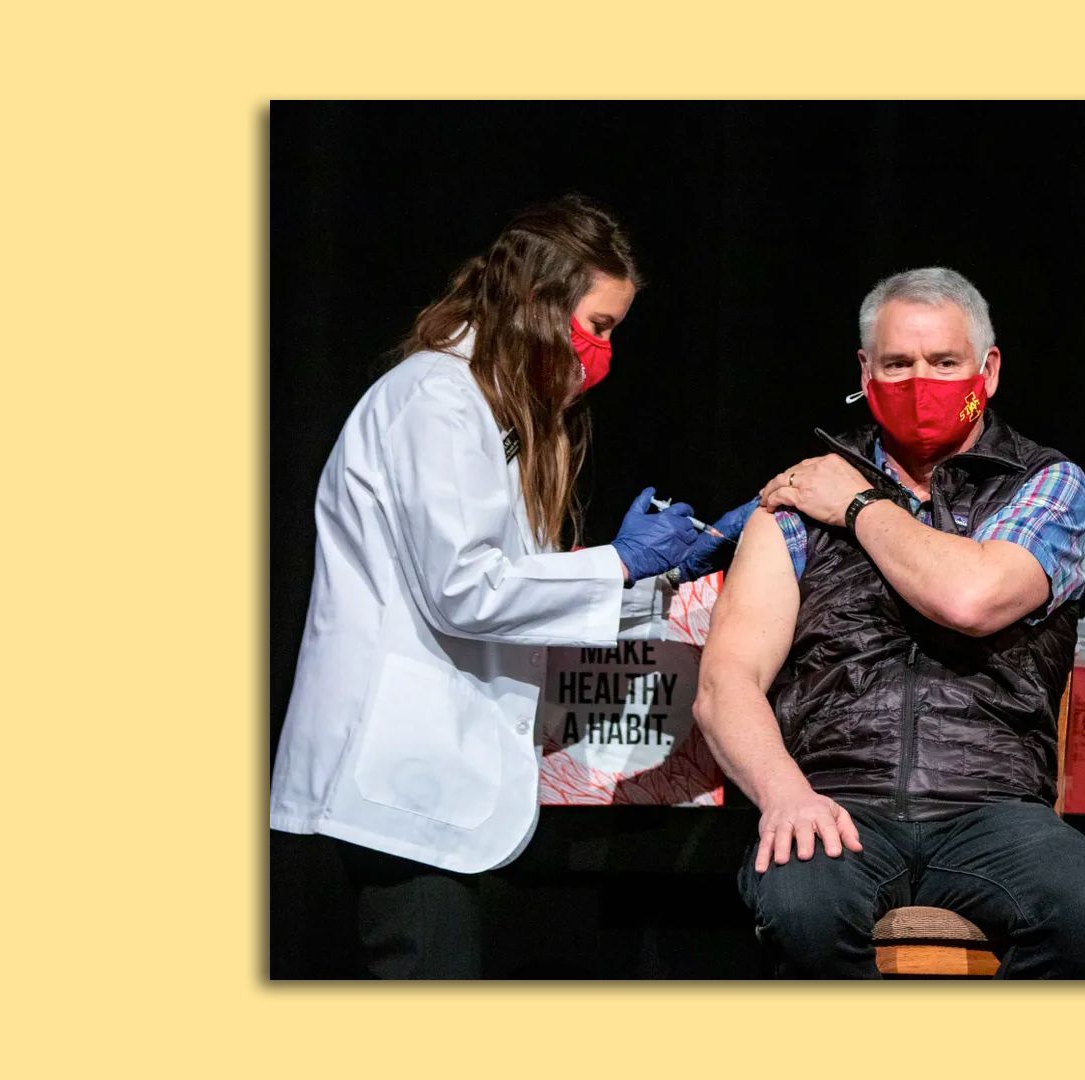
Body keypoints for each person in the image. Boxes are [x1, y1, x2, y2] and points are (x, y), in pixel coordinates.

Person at [270, 194, 755, 978]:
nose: (602, 353)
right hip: (405, 772)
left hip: (444, 780)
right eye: (597, 327)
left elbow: (515, 592)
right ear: (538, 301)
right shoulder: (436, 399)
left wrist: (656, 581)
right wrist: (621, 563)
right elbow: (465, 590)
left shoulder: (481, 410)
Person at [693, 267, 1085, 978]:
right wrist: (785, 795)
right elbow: (727, 681)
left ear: (986, 371)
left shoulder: (1045, 483)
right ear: (865, 372)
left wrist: (862, 506)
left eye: (943, 363)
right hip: (838, 798)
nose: (919, 381)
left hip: (992, 804)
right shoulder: (802, 496)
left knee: (1083, 906)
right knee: (801, 906)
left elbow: (972, 598)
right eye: (897, 364)